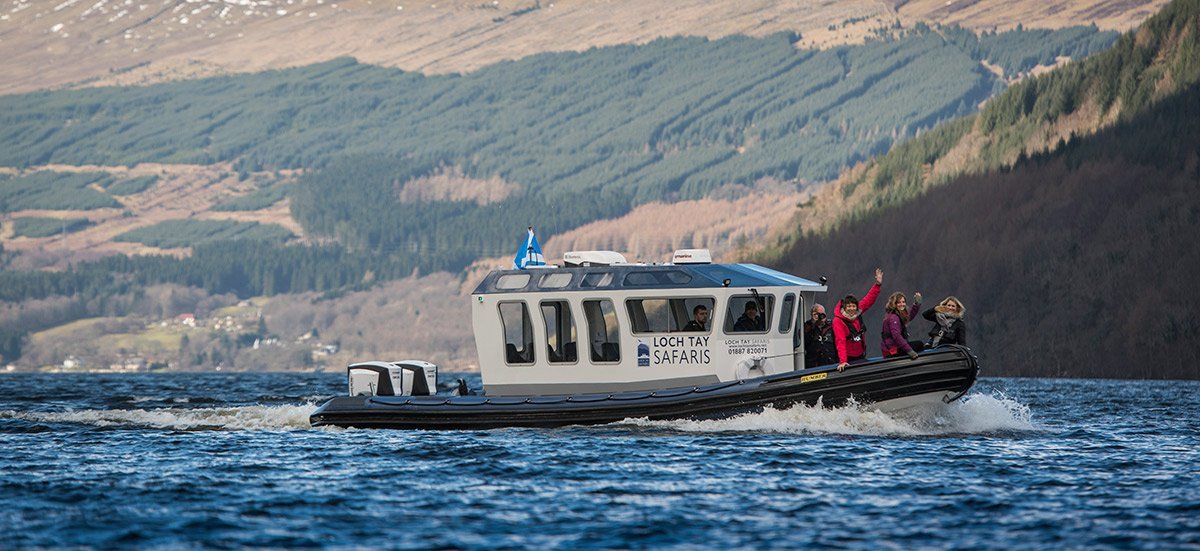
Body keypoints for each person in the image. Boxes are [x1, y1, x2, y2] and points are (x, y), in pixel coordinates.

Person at [834, 268, 883, 372]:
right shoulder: (838, 321)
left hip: (860, 354)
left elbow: (868, 300)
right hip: (849, 358)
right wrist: (843, 361)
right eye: (849, 306)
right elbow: (840, 341)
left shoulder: (857, 313)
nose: (851, 309)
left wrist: (877, 285)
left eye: (853, 306)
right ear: (844, 307)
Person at [881, 291, 924, 360]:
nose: (902, 304)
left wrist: (916, 304)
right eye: (899, 302)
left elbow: (909, 317)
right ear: (894, 304)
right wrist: (910, 351)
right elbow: (897, 336)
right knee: (919, 344)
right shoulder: (893, 318)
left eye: (903, 302)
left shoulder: (898, 314)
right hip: (892, 350)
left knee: (918, 345)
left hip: (895, 347)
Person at [803, 304, 837, 368]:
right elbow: (804, 343)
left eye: (822, 314)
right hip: (813, 364)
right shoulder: (807, 327)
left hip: (830, 362)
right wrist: (813, 324)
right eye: (817, 314)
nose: (820, 316)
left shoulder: (831, 326)